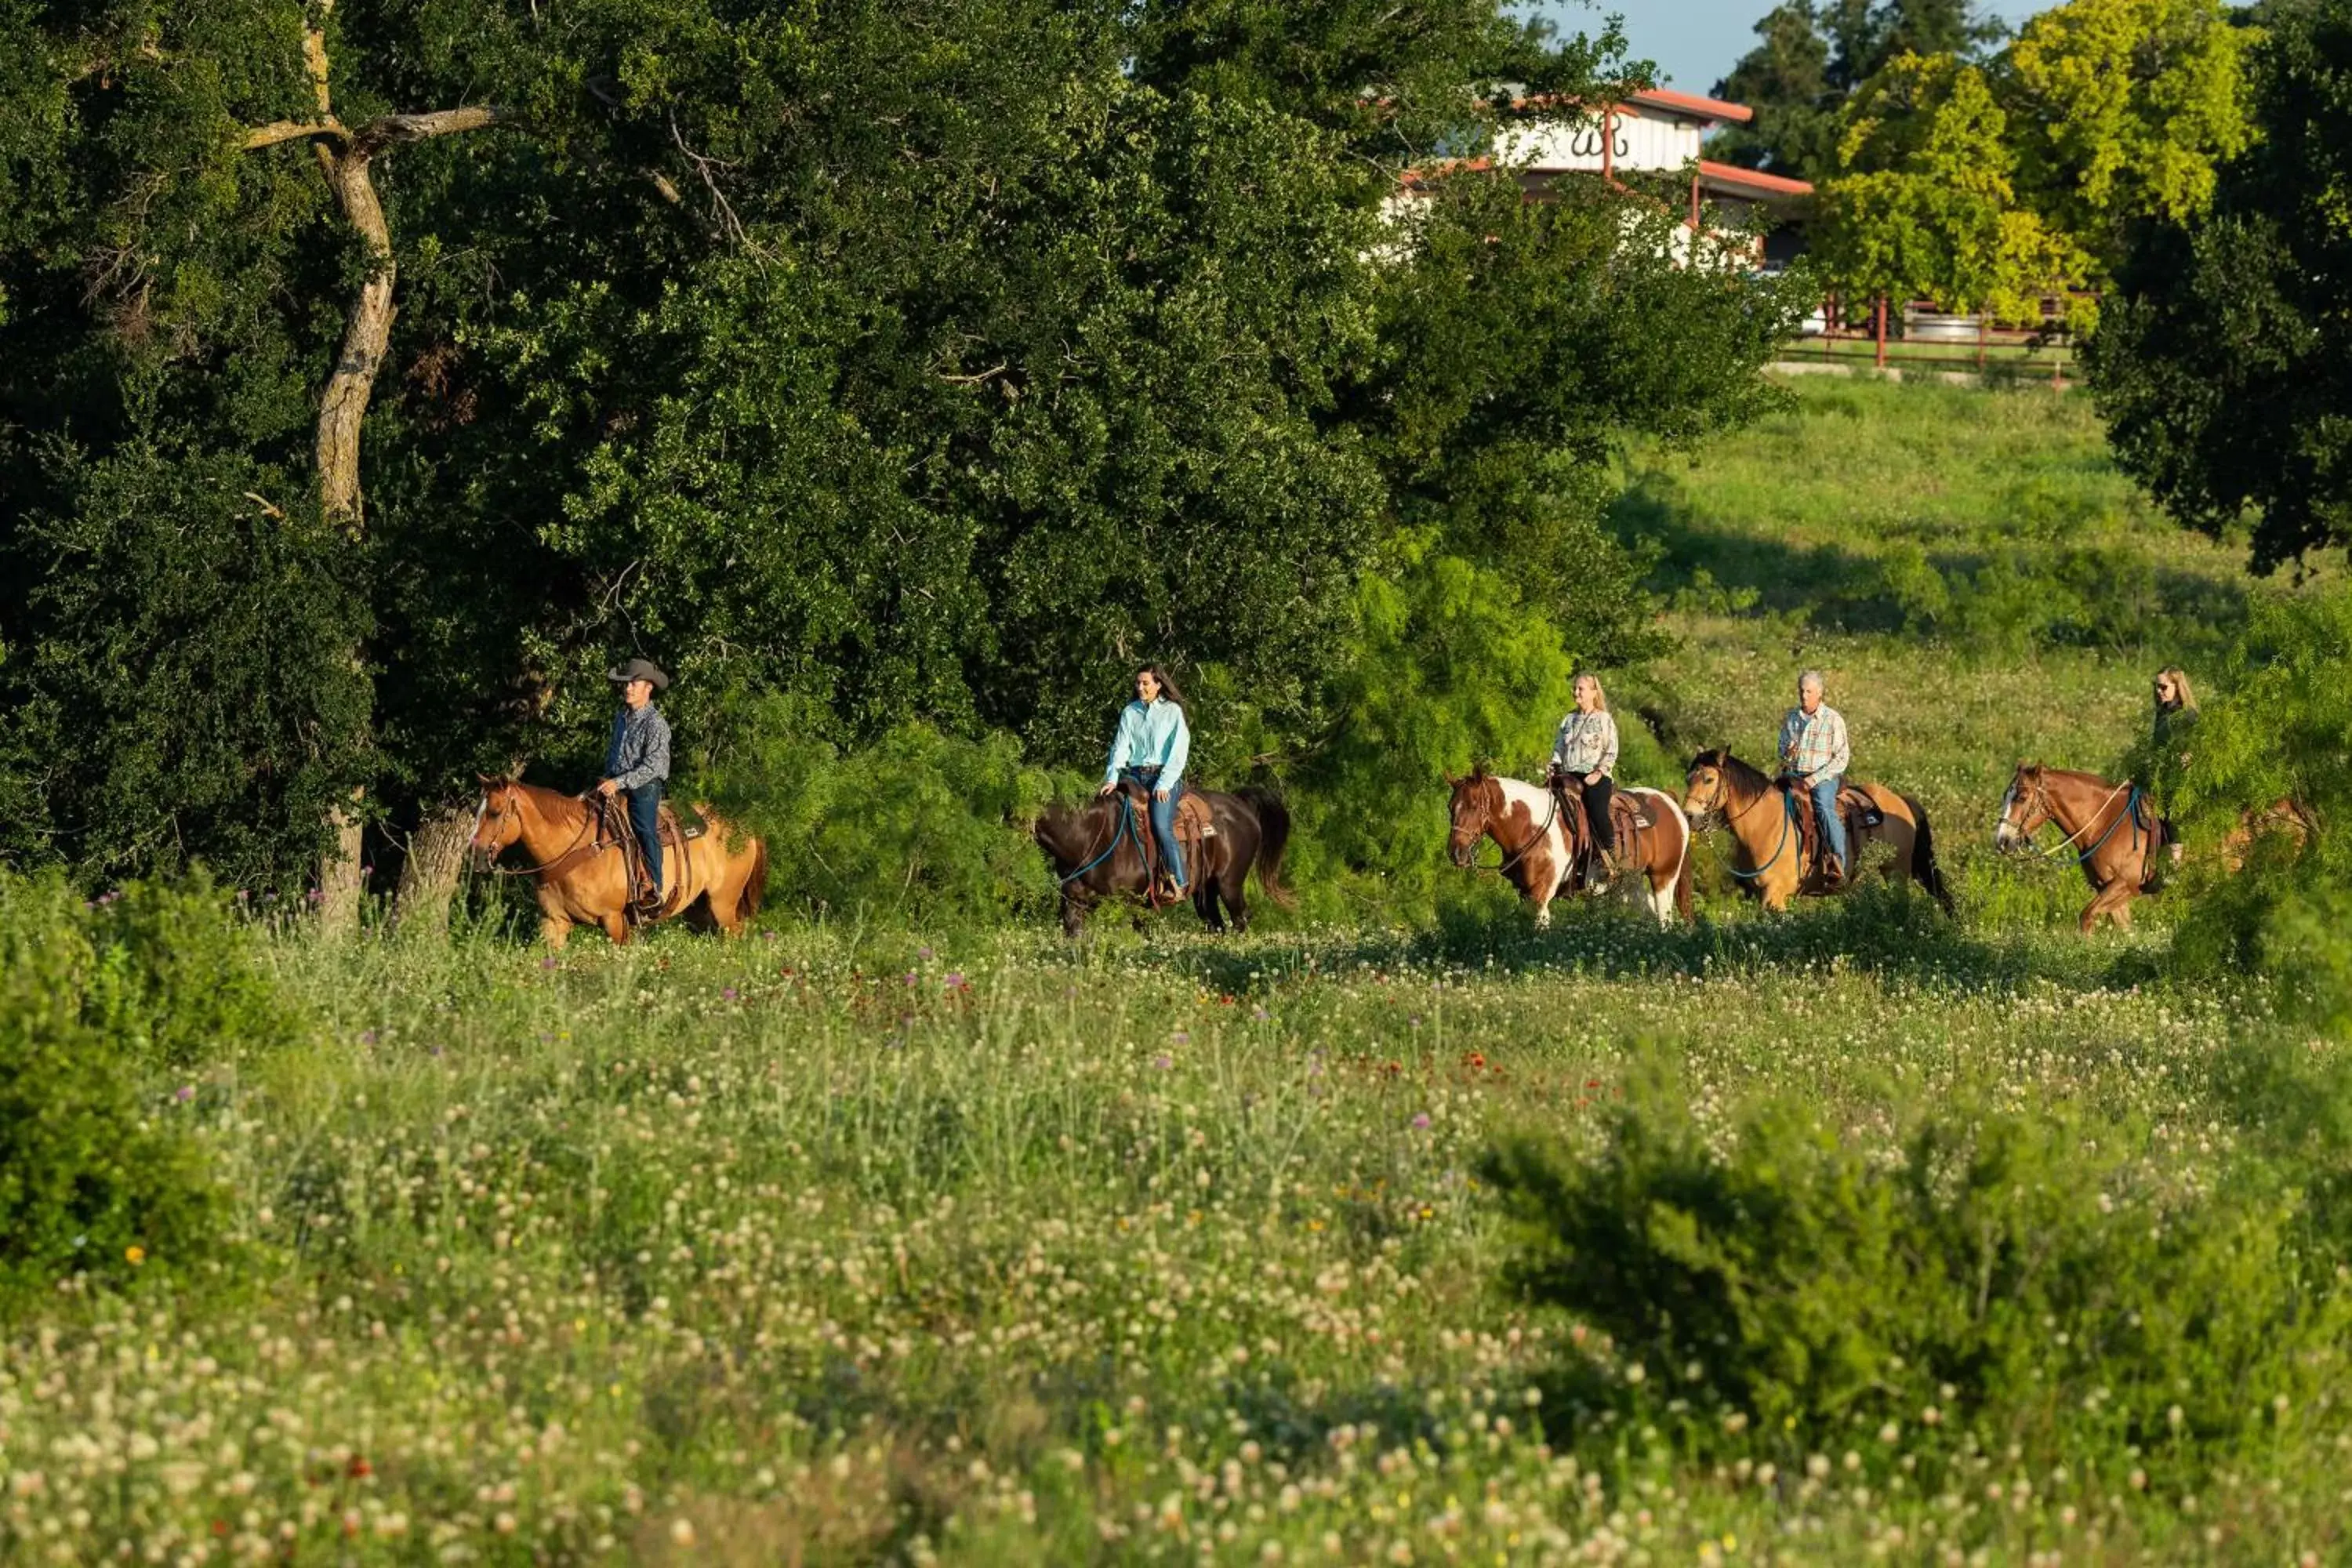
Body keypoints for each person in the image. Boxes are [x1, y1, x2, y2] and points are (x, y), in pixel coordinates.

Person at [1099, 665, 1192, 898]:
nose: (1140, 687)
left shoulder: (1172, 712)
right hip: (1135, 776)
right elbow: (1120, 747)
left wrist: (1165, 783)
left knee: (1161, 826)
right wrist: (1112, 778)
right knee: (1114, 819)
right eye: (1138, 683)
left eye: (1145, 683)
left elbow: (1179, 751)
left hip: (1164, 777)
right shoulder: (1130, 712)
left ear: (1158, 685)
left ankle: (1178, 882)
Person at [596, 657, 672, 910]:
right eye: (626, 683)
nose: (628, 688)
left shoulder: (656, 723)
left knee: (643, 827)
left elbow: (654, 765)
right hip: (616, 781)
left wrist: (619, 782)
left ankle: (654, 886)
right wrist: (608, 778)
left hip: (645, 784)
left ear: (648, 687)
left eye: (634, 683)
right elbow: (613, 754)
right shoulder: (621, 718)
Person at [1548, 673, 1621, 891]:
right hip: (1569, 775)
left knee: (1597, 811)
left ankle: (1608, 858)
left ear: (1594, 692)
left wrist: (1599, 772)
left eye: (1581, 689)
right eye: (1575, 688)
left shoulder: (1604, 719)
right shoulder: (1568, 719)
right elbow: (1559, 747)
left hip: (1594, 776)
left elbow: (1612, 751)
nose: (1576, 692)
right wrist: (1553, 765)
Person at [1779, 669, 1851, 884]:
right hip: (1795, 774)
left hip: (1823, 777)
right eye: (1802, 691)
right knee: (1770, 800)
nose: (1804, 696)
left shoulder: (1832, 719)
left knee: (1822, 806)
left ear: (1820, 693)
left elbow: (1842, 757)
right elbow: (1781, 749)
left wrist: (1814, 779)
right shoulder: (1792, 718)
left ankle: (1837, 859)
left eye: (1809, 691)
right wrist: (1787, 752)